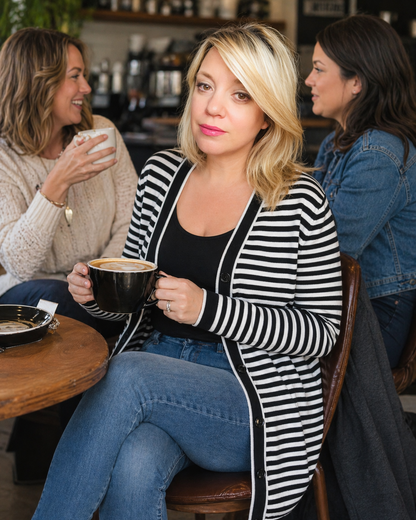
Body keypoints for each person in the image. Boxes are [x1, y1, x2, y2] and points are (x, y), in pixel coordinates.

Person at [32, 23, 342, 520]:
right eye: (205, 85)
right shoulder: (160, 175)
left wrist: (209, 309)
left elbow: (322, 333)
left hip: (250, 399)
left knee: (127, 373)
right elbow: (129, 300)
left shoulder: (299, 200)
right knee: (134, 464)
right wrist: (96, 294)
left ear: (267, 113)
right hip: (157, 372)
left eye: (240, 94)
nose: (212, 107)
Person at [0, 27, 137, 338]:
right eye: (75, 76)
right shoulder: (4, 159)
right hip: (24, 297)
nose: (86, 88)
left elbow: (133, 219)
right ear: (39, 83)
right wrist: (57, 182)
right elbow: (18, 264)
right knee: (57, 295)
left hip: (101, 293)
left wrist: (99, 280)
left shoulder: (102, 133)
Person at [305, 14, 416, 369]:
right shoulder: (336, 143)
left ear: (356, 81)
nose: (309, 80)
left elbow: (326, 249)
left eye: (319, 69)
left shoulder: (379, 154)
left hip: (375, 312)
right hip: (343, 302)